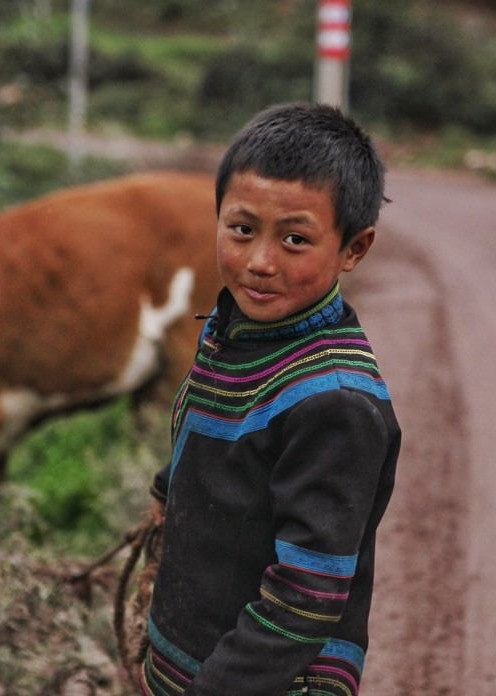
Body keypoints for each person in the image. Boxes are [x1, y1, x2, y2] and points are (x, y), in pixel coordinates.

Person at [143, 102, 401, 696]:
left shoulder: (335, 404)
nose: (260, 263)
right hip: (191, 660)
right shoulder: (238, 331)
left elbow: (305, 600)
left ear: (354, 249)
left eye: (294, 239)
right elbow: (212, 429)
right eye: (241, 229)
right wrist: (167, 488)